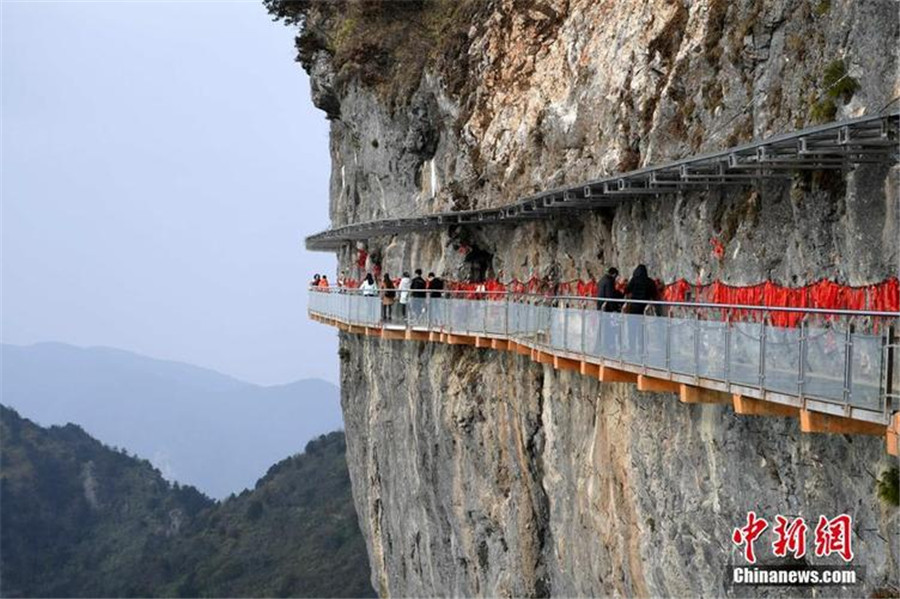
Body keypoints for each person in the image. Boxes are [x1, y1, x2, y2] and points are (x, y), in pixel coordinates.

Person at [624, 264, 657, 356]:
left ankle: (632, 348)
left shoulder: (634, 280)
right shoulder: (649, 281)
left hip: (633, 308)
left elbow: (626, 290)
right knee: (642, 330)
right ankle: (642, 349)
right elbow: (654, 293)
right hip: (643, 309)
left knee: (632, 329)